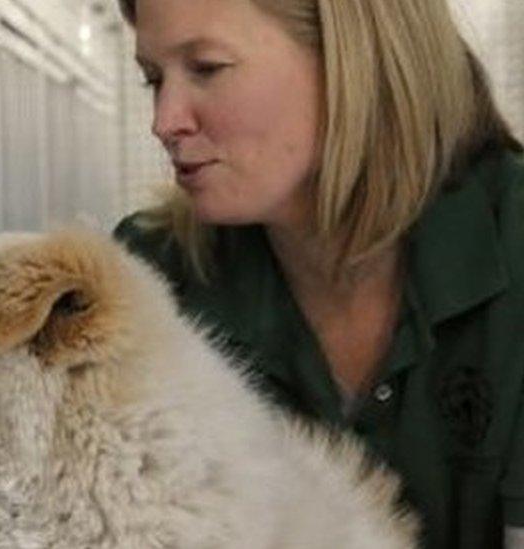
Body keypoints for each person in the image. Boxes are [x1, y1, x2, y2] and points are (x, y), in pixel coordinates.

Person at [111, 0, 524, 547]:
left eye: (207, 68)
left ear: (353, 57)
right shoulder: (151, 282)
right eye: (153, 79)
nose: (164, 122)